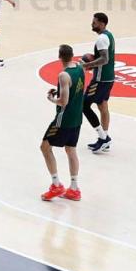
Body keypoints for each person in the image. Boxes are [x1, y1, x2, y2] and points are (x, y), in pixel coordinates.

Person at [40, 44, 84, 202]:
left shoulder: (63, 75)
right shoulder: (80, 69)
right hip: (77, 118)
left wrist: (52, 99)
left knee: (45, 147)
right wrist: (59, 91)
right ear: (72, 55)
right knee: (71, 150)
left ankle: (56, 184)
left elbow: (63, 101)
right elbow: (73, 90)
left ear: (59, 57)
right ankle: (74, 189)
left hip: (63, 120)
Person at [82, 13, 115, 153]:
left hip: (100, 80)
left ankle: (104, 138)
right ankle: (104, 139)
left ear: (102, 23)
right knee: (102, 106)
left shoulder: (101, 39)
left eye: (94, 22)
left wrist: (87, 66)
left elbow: (104, 59)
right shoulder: (109, 35)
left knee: (84, 105)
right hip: (109, 78)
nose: (92, 24)